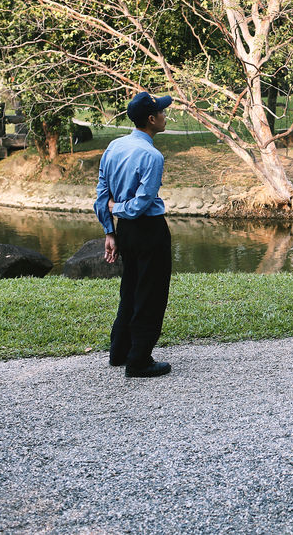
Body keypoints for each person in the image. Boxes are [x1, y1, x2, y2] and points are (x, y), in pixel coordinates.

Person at [95, 91, 174, 378]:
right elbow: (141, 204)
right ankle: (139, 360)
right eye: (162, 113)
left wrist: (110, 230)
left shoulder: (114, 146)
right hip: (149, 230)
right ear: (151, 119)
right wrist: (120, 209)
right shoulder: (152, 155)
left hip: (125, 231)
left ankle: (120, 352)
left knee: (129, 289)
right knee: (150, 294)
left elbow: (102, 194)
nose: (166, 116)